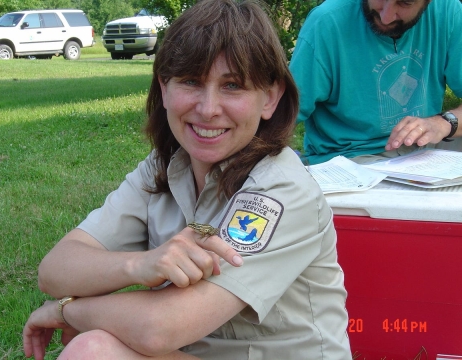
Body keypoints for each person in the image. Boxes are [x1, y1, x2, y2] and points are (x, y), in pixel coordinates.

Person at [22, 0, 351, 359]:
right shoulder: (166, 167)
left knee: (92, 350)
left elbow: (160, 327)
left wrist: (64, 310)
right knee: (93, 350)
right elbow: (55, 270)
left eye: (233, 86)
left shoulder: (281, 190)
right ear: (164, 88)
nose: (208, 108)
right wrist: (140, 264)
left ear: (270, 98)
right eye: (192, 81)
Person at [289, 0, 462, 165]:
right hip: (352, 158)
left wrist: (443, 123)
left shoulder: (448, 11)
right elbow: (280, 117)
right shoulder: (327, 22)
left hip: (428, 149)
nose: (386, 17)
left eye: (405, 2)